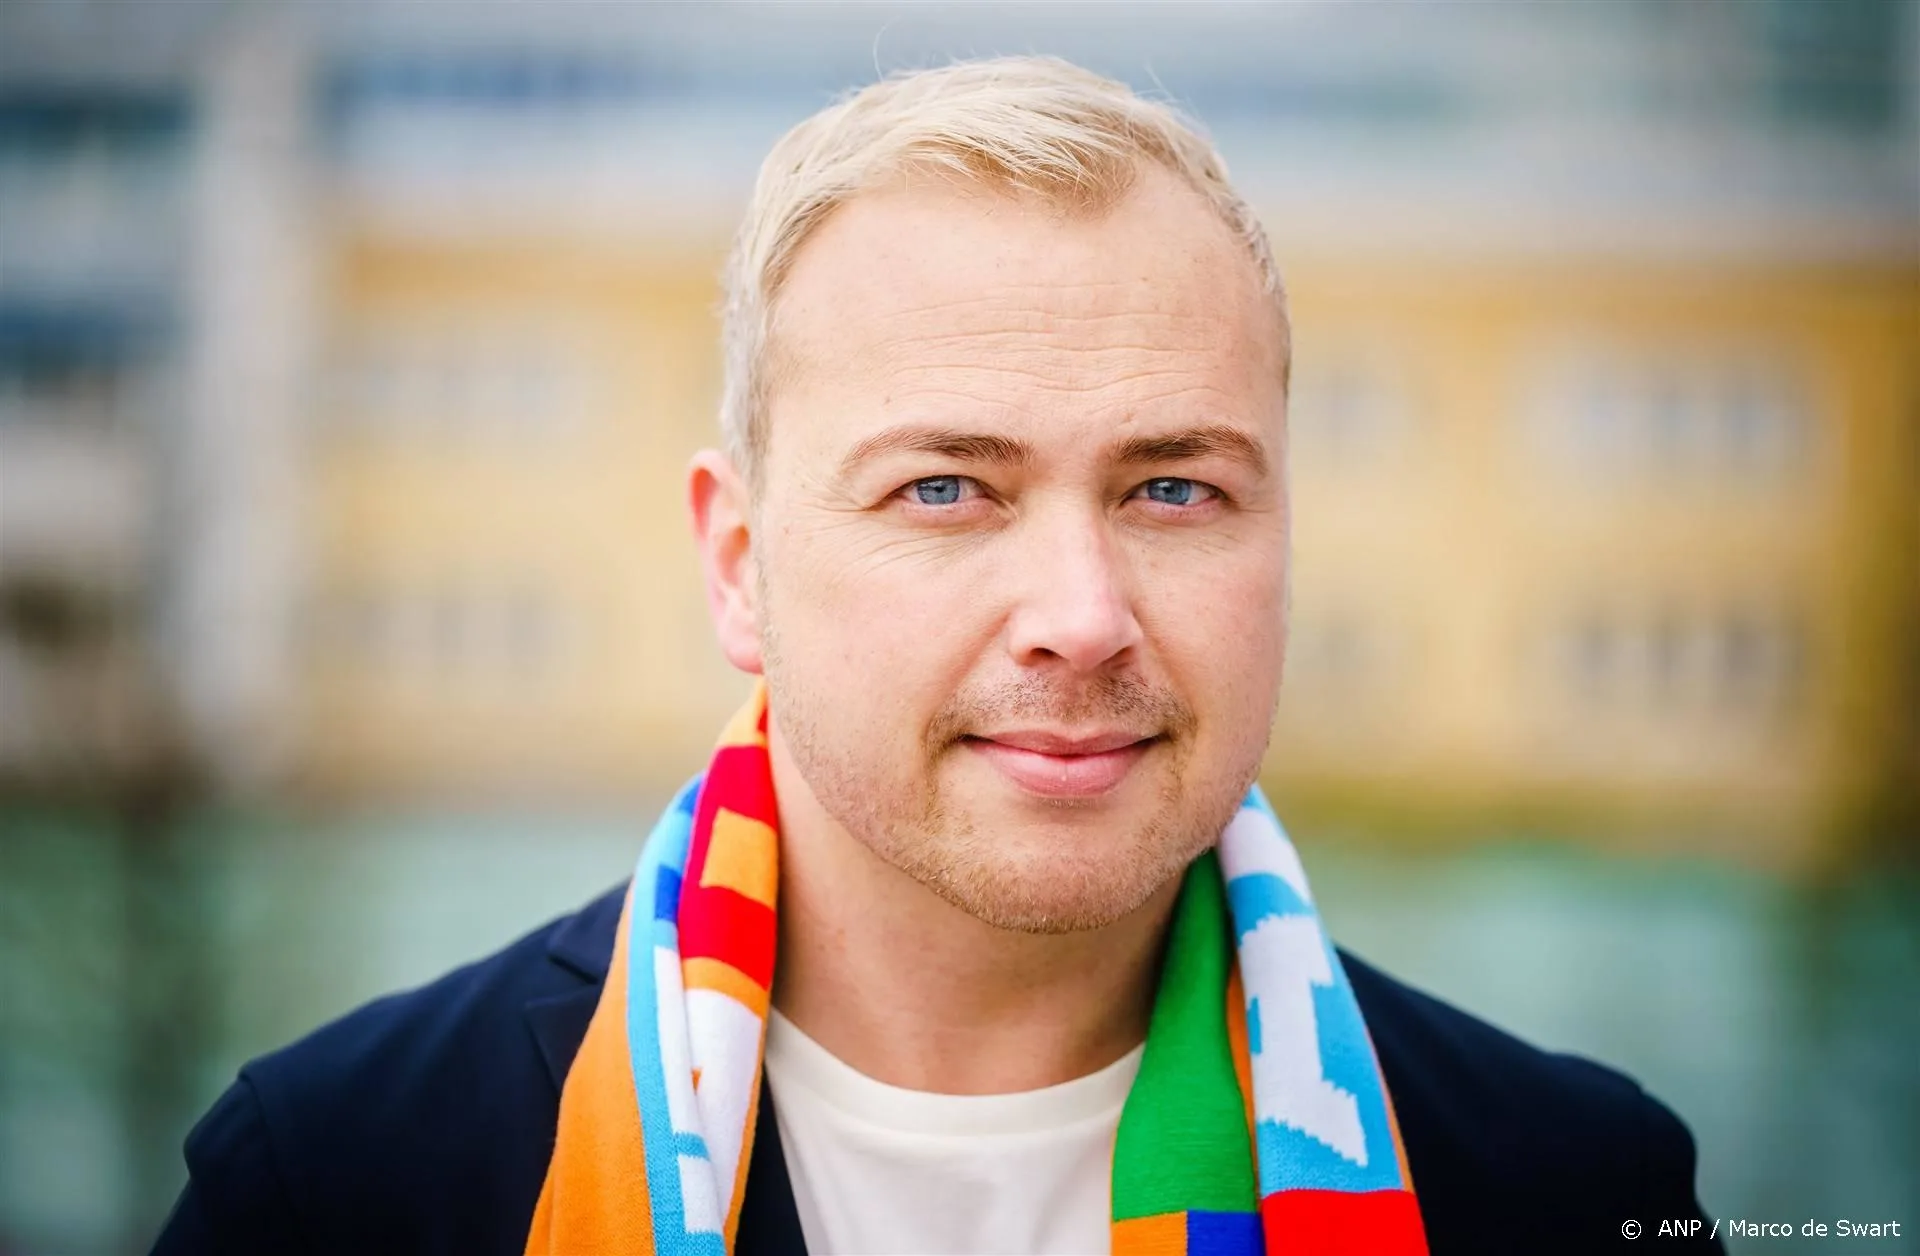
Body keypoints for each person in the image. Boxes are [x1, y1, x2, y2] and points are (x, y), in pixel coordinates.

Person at [152, 56, 1720, 1256]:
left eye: (1175, 488)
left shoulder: (1570, 1194)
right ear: (740, 565)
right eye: (947, 489)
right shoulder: (344, 1185)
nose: (1082, 613)